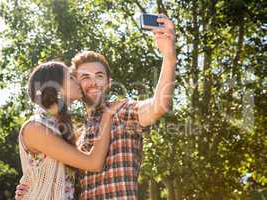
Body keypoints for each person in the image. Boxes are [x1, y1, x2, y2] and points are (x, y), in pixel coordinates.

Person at [16, 15, 176, 199]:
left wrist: (169, 57)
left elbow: (159, 106)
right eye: (84, 77)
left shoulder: (123, 111)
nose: (93, 83)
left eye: (99, 76)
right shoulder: (74, 135)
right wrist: (29, 186)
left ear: (108, 83)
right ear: (76, 84)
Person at [16, 61, 124, 199]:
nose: (77, 81)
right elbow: (93, 163)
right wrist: (107, 114)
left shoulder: (62, 129)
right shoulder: (35, 128)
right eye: (71, 77)